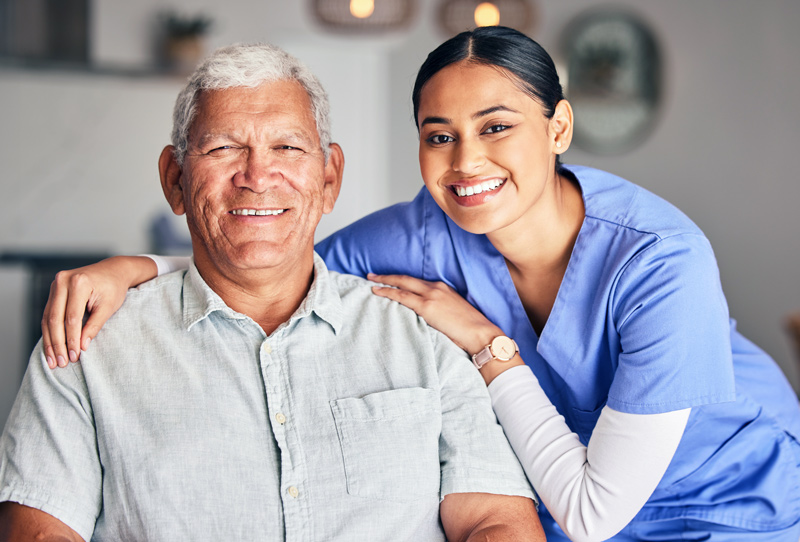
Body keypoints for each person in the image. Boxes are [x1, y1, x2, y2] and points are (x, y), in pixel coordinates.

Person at [33, 27, 800, 541]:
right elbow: (271, 249)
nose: (467, 162)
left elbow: (593, 509)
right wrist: (137, 270)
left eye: (497, 126)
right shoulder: (419, 235)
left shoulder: (662, 263)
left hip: (727, 500)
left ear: (559, 128)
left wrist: (490, 349)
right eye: (440, 136)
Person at [0, 42, 545, 541]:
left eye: (287, 146)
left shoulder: (423, 334)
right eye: (222, 149)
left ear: (329, 178)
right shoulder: (85, 344)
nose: (258, 176)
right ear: (175, 180)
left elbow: (495, 520)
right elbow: (39, 528)